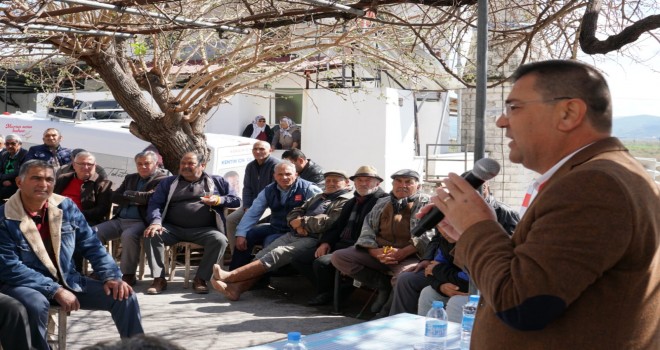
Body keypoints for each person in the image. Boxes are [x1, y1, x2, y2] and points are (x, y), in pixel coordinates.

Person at [428, 60, 660, 349]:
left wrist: (478, 226)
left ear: (568, 113)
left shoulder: (594, 185)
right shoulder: (596, 175)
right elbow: (533, 275)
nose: (502, 121)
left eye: (514, 107)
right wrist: (467, 236)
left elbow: (521, 303)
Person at [0, 160, 144, 349]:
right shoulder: (5, 217)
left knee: (124, 296)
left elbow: (91, 244)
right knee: (35, 305)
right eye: (36, 178)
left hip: (67, 280)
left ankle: (141, 347)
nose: (43, 184)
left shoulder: (65, 207)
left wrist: (111, 275)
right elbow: (10, 267)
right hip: (23, 285)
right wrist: (55, 290)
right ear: (19, 182)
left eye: (49, 179)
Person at [212, 170, 352, 301]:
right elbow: (295, 211)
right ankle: (236, 289)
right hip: (295, 233)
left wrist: (302, 223)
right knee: (264, 253)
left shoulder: (345, 200)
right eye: (328, 181)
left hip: (315, 238)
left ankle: (230, 277)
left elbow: (329, 221)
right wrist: (295, 222)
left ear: (346, 183)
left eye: (336, 181)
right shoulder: (319, 196)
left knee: (277, 253)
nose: (331, 183)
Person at [390, 181, 520, 316]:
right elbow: (438, 242)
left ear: (485, 187)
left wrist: (438, 271)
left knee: (455, 302)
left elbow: (500, 260)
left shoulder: (505, 213)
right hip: (451, 272)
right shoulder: (451, 221)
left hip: (480, 278)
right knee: (411, 282)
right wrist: (437, 279)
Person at [331, 169, 433, 314]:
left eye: (408, 182)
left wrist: (402, 253)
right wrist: (374, 252)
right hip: (381, 253)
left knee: (404, 278)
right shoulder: (382, 202)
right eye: (398, 181)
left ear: (418, 186)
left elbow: (428, 234)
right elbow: (367, 229)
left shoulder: (426, 203)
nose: (402, 185)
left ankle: (387, 313)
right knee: (340, 257)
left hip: (411, 255)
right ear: (392, 183)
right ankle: (382, 285)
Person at [143, 151, 240, 294]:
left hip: (204, 230)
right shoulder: (169, 183)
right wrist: (156, 222)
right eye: (183, 163)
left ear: (202, 165)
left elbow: (236, 199)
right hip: (172, 229)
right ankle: (159, 279)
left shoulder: (217, 181)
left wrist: (219, 200)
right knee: (151, 234)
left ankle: (201, 279)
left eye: (191, 163)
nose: (185, 166)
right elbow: (155, 204)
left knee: (219, 240)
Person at [292, 165, 388, 306]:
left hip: (361, 246)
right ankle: (331, 292)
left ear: (377, 183)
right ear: (354, 183)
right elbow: (337, 226)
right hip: (341, 244)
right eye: (359, 180)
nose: (362, 183)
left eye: (367, 180)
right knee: (300, 259)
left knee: (322, 263)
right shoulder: (352, 202)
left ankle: (330, 294)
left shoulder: (382, 201)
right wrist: (326, 243)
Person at [229, 161, 321, 270]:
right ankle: (234, 273)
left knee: (270, 240)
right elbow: (253, 212)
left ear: (296, 175)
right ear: (274, 176)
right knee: (247, 235)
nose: (284, 177)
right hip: (276, 227)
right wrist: (241, 234)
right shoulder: (269, 190)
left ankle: (262, 278)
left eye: (288, 174)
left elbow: (320, 211)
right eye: (280, 174)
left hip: (296, 232)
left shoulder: (308, 189)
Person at [94, 151, 167, 286]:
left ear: (156, 164)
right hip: (120, 219)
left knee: (129, 235)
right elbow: (114, 196)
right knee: (93, 232)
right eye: (140, 164)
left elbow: (150, 198)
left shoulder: (162, 179)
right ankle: (104, 270)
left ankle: (128, 274)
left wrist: (127, 195)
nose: (143, 167)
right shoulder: (130, 178)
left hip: (141, 221)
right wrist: (136, 198)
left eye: (147, 163)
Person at [225, 141, 279, 254]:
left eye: (261, 149)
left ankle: (251, 254)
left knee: (250, 223)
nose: (258, 151)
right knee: (230, 220)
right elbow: (247, 188)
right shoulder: (250, 166)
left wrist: (255, 208)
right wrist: (246, 206)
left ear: (270, 150)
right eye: (255, 149)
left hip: (269, 205)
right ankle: (235, 253)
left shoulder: (275, 165)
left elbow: (274, 190)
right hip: (252, 204)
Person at [0, 134, 28, 200]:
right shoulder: (4, 154)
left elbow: (21, 171)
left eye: (13, 144)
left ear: (20, 144)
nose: (10, 146)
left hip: (16, 183)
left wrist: (6, 179)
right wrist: (3, 180)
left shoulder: (25, 154)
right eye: (7, 144)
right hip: (3, 180)